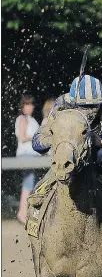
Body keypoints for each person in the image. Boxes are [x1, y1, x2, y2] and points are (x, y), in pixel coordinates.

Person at [32, 74, 102, 224]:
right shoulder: (62, 105)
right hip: (71, 157)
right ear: (73, 103)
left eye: (93, 106)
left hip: (101, 158)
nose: (88, 112)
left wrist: (101, 143)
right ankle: (36, 217)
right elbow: (37, 142)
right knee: (42, 187)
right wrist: (59, 139)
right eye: (83, 107)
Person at [15, 95, 40, 224]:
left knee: (31, 182)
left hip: (32, 155)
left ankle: (25, 212)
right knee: (29, 182)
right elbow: (23, 137)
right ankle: (22, 212)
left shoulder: (31, 119)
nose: (30, 106)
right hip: (26, 155)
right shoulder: (23, 119)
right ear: (22, 106)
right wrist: (36, 138)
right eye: (27, 104)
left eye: (31, 104)